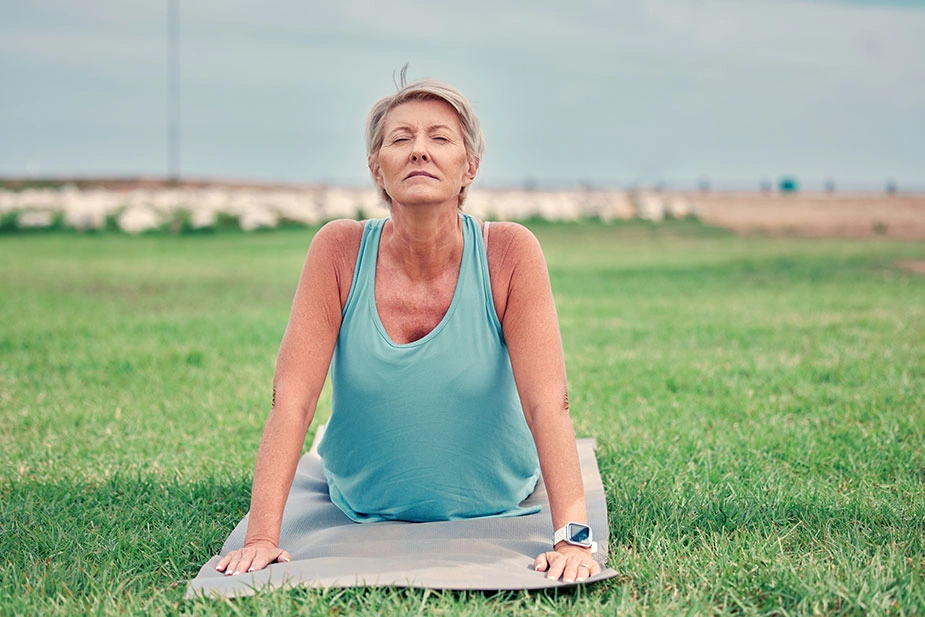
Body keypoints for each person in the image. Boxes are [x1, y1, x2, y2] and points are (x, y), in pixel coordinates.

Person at [215, 75, 602, 584]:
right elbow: (291, 398)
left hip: (497, 494)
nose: (420, 150)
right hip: (360, 498)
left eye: (440, 138)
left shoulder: (509, 251)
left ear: (470, 167)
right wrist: (262, 538)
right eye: (401, 139)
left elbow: (547, 401)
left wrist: (572, 539)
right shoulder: (338, 250)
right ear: (377, 167)